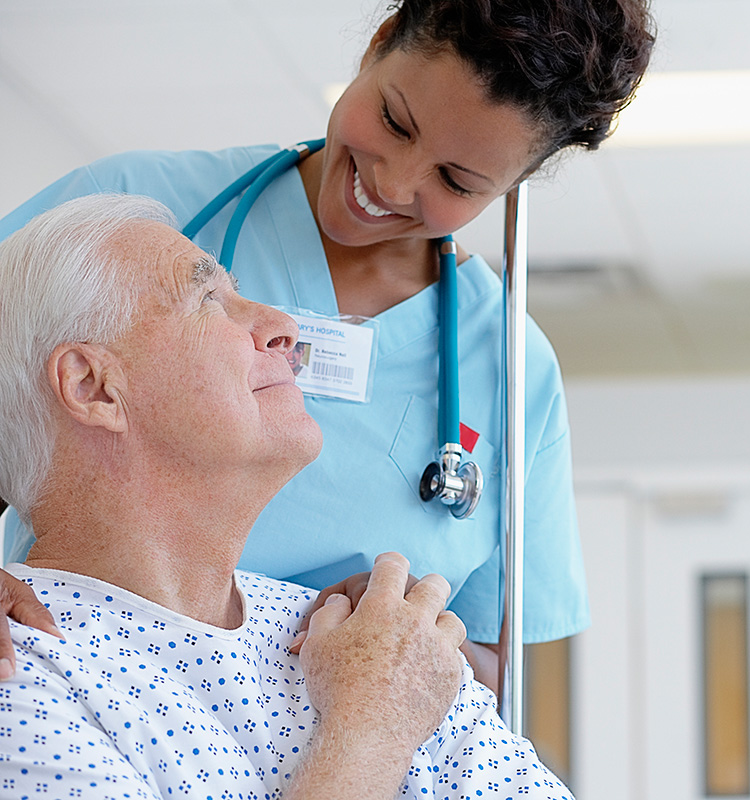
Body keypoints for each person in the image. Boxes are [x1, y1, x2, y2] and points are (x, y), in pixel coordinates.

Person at [0, 0, 655, 686]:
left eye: (455, 180)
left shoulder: (515, 372)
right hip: (79, 702)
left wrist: (404, 630)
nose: (393, 182)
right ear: (379, 44)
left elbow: (495, 674)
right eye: (395, 121)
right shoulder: (129, 213)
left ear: (511, 186)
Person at [0, 194, 577, 799]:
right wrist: (373, 726)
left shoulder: (379, 642)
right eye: (208, 300)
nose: (284, 326)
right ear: (92, 386)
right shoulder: (22, 671)